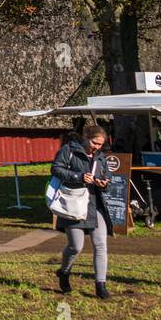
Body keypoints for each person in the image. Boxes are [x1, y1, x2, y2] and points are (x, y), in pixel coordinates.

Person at [51, 124, 114, 299]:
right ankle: (64, 272)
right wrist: (77, 177)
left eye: (100, 144)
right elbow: (56, 169)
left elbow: (106, 176)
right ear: (85, 137)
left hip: (95, 204)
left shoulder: (100, 157)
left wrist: (104, 183)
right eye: (95, 143)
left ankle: (100, 285)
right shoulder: (68, 150)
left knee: (100, 245)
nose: (97, 147)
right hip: (74, 203)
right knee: (75, 247)